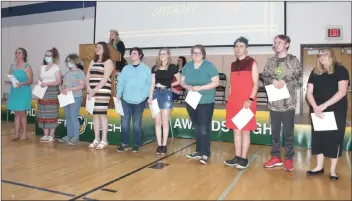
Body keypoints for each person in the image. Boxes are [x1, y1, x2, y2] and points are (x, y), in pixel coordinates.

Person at [306, 48, 349, 181]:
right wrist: (315, 107)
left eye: (325, 54)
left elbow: (342, 92)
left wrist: (324, 106)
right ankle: (319, 167)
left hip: (336, 110)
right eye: (320, 55)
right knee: (319, 138)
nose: (322, 57)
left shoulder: (341, 70)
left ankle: (333, 171)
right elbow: (309, 92)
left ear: (331, 56)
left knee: (333, 139)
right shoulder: (315, 72)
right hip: (318, 110)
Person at [261, 35, 302, 172]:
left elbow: (299, 79)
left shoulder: (293, 60)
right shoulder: (271, 61)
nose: (276, 44)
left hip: (288, 104)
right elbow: (264, 76)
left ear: (287, 44)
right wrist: (272, 80)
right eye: (275, 42)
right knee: (275, 133)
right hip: (274, 103)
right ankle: (275, 157)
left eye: (280, 42)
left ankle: (289, 158)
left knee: (288, 133)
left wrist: (285, 81)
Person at [180, 44, 220, 164]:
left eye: (198, 53)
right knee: (197, 127)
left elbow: (216, 82)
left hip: (205, 101)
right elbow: (182, 82)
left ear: (203, 54)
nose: (195, 55)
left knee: (204, 128)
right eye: (193, 53)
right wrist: (187, 86)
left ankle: (205, 153)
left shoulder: (209, 66)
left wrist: (200, 88)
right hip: (191, 100)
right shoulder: (187, 66)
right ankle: (198, 151)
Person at [224, 37, 259, 169]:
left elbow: (256, 83)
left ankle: (244, 158)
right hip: (234, 101)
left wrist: (250, 99)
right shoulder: (233, 65)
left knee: (245, 131)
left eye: (241, 46)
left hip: (247, 101)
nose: (238, 49)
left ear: (246, 48)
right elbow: (232, 85)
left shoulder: (252, 62)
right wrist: (229, 100)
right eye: (236, 46)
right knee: (236, 130)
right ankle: (237, 157)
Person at [116, 47, 151, 153]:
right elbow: (121, 82)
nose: (132, 55)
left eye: (134, 53)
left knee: (136, 123)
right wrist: (118, 94)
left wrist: (144, 96)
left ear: (140, 55)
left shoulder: (146, 69)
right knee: (124, 123)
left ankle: (136, 144)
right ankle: (124, 143)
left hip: (140, 101)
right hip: (126, 99)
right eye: (131, 53)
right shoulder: (126, 68)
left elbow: (149, 84)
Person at [148, 48, 180, 154]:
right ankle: (159, 144)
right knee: (157, 121)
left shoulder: (172, 67)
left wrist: (169, 85)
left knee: (164, 121)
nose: (162, 55)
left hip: (166, 94)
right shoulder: (155, 68)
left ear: (168, 55)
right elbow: (152, 83)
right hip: (156, 94)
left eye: (164, 54)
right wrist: (150, 96)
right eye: (160, 54)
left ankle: (164, 145)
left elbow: (180, 80)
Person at [86, 42, 114, 149]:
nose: (97, 49)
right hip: (92, 91)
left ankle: (104, 140)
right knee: (95, 115)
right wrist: (88, 88)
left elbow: (105, 78)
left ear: (104, 49)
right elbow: (88, 74)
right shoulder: (93, 61)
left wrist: (95, 90)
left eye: (99, 47)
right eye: (96, 47)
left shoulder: (108, 61)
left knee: (102, 114)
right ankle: (96, 139)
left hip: (102, 91)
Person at [58, 54, 85, 145]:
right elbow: (63, 85)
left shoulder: (80, 73)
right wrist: (62, 90)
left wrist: (69, 89)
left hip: (75, 97)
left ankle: (75, 137)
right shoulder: (67, 73)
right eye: (67, 61)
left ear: (75, 61)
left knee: (73, 116)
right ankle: (69, 135)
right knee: (68, 117)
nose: (68, 63)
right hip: (66, 98)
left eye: (69, 61)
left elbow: (81, 86)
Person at [7, 47, 33, 141]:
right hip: (15, 91)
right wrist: (10, 82)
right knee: (16, 113)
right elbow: (11, 78)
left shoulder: (27, 67)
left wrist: (21, 83)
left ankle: (24, 134)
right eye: (16, 53)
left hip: (23, 90)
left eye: (19, 53)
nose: (17, 54)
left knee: (22, 112)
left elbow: (30, 80)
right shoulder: (12, 67)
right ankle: (16, 134)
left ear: (23, 55)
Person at [36, 47, 62, 143]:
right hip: (42, 92)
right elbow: (41, 79)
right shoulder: (42, 67)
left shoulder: (56, 68)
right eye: (46, 55)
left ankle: (51, 135)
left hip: (52, 92)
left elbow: (58, 81)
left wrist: (47, 84)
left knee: (52, 114)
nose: (47, 57)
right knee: (43, 113)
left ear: (53, 57)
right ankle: (45, 134)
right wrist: (38, 82)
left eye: (49, 55)